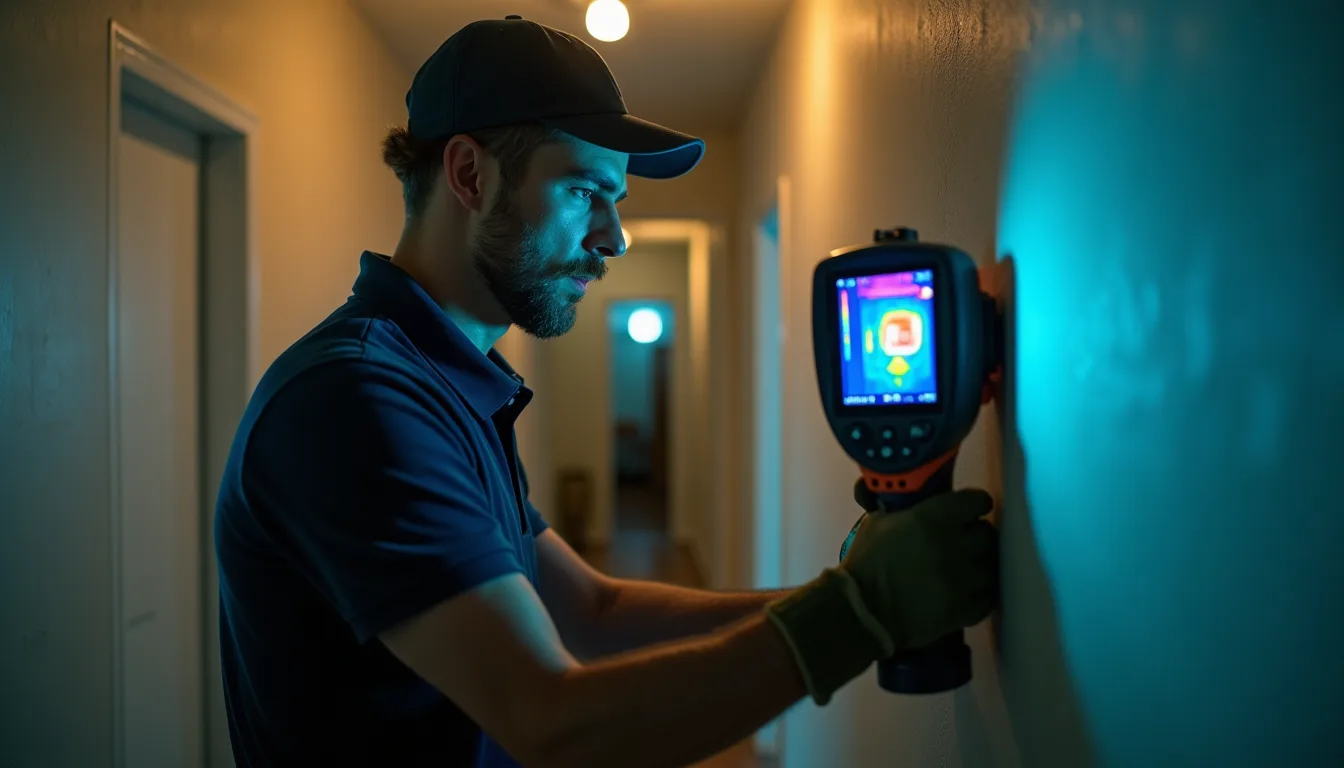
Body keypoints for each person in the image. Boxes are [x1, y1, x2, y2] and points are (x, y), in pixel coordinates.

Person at [213, 15, 1000, 768]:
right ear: (468, 174)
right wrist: (859, 616)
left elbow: (589, 612)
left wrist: (839, 592)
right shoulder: (356, 401)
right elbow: (551, 725)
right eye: (587, 191)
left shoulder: (445, 384)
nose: (615, 237)